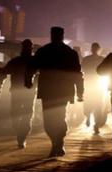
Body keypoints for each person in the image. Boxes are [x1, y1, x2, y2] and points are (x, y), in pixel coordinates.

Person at [25, 27, 84, 157]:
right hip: (61, 91)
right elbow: (77, 75)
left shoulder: (45, 51)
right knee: (57, 118)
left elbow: (32, 68)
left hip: (49, 91)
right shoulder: (69, 53)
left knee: (52, 119)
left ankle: (57, 142)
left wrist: (28, 80)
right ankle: (57, 142)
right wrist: (80, 91)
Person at [0, 39, 36, 149]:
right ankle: (21, 136)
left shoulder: (20, 61)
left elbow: (2, 74)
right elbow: (2, 74)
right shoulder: (28, 61)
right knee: (21, 115)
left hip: (24, 92)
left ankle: (21, 137)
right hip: (24, 92)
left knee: (22, 115)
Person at [81, 42, 105, 134]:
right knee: (98, 105)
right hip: (98, 84)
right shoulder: (102, 59)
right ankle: (96, 124)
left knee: (89, 103)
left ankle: (88, 117)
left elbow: (82, 70)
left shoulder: (86, 59)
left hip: (90, 84)